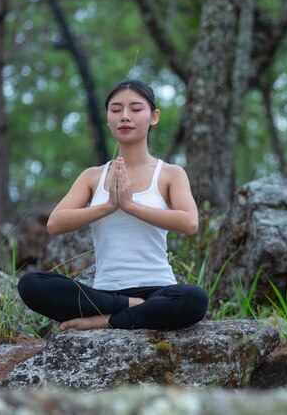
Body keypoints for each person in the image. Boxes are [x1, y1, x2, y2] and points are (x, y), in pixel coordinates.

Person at [17, 79, 208, 331]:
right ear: (108, 118)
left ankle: (106, 321)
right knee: (30, 284)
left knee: (194, 299)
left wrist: (130, 205)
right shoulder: (92, 176)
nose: (125, 117)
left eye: (136, 109)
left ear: (154, 117)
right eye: (116, 110)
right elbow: (55, 223)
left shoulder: (170, 174)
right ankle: (129, 306)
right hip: (105, 293)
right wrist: (107, 206)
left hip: (159, 290)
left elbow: (190, 223)